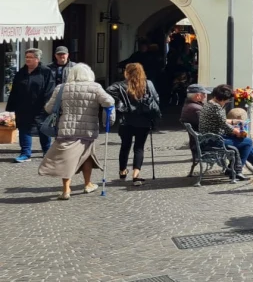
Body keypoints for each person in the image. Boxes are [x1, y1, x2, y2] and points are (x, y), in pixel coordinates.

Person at [38, 64, 114, 200]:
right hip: (88, 130)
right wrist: (108, 118)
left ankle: (66, 190)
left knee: (66, 159)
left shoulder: (61, 88)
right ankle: (87, 184)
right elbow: (108, 101)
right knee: (87, 155)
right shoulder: (95, 87)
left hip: (66, 129)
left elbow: (49, 108)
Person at [107, 63, 161, 186]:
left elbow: (108, 91)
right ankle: (136, 175)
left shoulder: (120, 85)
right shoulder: (148, 84)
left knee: (125, 146)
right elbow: (156, 99)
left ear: (127, 72)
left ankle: (122, 170)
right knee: (139, 147)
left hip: (126, 120)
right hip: (143, 120)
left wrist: (119, 100)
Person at [200, 84, 253, 179]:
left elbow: (219, 121)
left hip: (208, 138)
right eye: (227, 100)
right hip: (214, 141)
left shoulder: (209, 104)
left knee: (244, 143)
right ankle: (236, 171)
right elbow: (224, 125)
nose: (228, 101)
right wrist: (238, 132)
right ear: (223, 99)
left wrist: (233, 121)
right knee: (248, 142)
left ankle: (236, 169)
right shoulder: (216, 108)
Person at [6, 49, 55, 162]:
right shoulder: (21, 72)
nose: (28, 59)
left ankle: (46, 151)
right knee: (24, 129)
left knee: (43, 129)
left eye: (31, 57)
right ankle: (25, 153)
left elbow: (50, 90)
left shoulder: (46, 72)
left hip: (41, 107)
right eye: (27, 57)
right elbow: (15, 90)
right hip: (23, 107)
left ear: (37, 59)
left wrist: (46, 105)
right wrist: (11, 107)